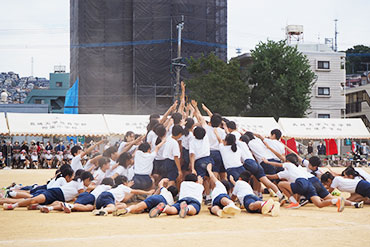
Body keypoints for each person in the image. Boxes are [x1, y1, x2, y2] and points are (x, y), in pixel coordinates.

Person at [263, 153, 345, 212]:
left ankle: (294, 203)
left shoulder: (289, 166)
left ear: (288, 161)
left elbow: (275, 171)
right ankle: (336, 201)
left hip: (302, 182)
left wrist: (267, 164)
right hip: (309, 183)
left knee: (280, 184)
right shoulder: (298, 167)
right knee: (319, 204)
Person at [3, 171, 93, 210]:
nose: (89, 183)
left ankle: (37, 206)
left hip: (60, 197)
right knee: (33, 199)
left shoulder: (82, 185)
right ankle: (13, 205)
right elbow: (83, 194)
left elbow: (87, 189)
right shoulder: (79, 182)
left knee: (55, 204)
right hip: (55, 192)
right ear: (87, 179)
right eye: (90, 181)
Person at [112, 178, 178, 217]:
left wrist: (163, 180)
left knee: (137, 207)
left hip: (156, 197)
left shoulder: (165, 191)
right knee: (156, 208)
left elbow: (160, 184)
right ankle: (160, 209)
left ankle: (127, 210)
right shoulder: (171, 201)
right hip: (164, 203)